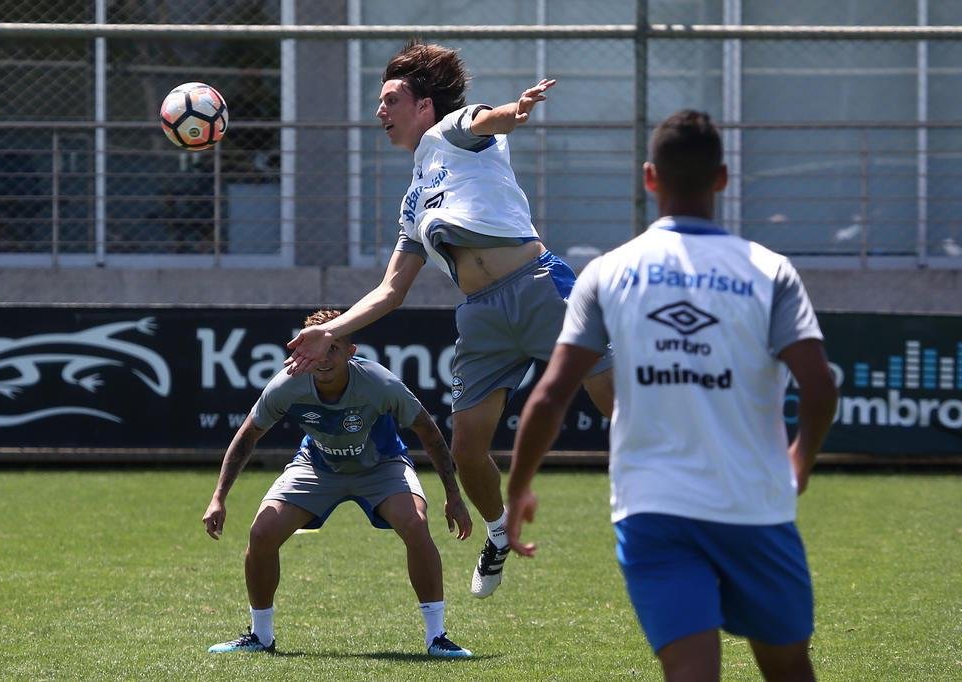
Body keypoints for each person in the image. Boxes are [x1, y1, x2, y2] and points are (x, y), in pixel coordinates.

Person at [505, 110, 839, 681]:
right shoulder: (770, 271)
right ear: (723, 178)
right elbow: (820, 384)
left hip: (653, 508)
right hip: (754, 505)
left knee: (690, 671)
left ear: (649, 177)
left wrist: (518, 490)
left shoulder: (606, 273)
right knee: (787, 667)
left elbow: (550, 396)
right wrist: (801, 459)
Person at [284, 40, 613, 599]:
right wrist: (329, 330)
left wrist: (514, 110)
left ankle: (694, 501)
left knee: (619, 413)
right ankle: (498, 532)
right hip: (482, 318)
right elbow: (390, 291)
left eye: (391, 100)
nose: (379, 112)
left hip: (540, 290)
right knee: (465, 450)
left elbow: (489, 120)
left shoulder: (452, 130)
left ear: (425, 106)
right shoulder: (413, 201)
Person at [203, 309, 474, 658]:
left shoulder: (380, 383)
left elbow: (428, 431)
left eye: (333, 348)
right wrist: (218, 497)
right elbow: (248, 434)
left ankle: (437, 637)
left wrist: (453, 495)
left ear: (350, 351)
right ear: (302, 350)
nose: (324, 357)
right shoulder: (288, 383)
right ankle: (261, 636)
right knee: (261, 533)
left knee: (415, 524)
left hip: (382, 466)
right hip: (318, 466)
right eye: (316, 348)